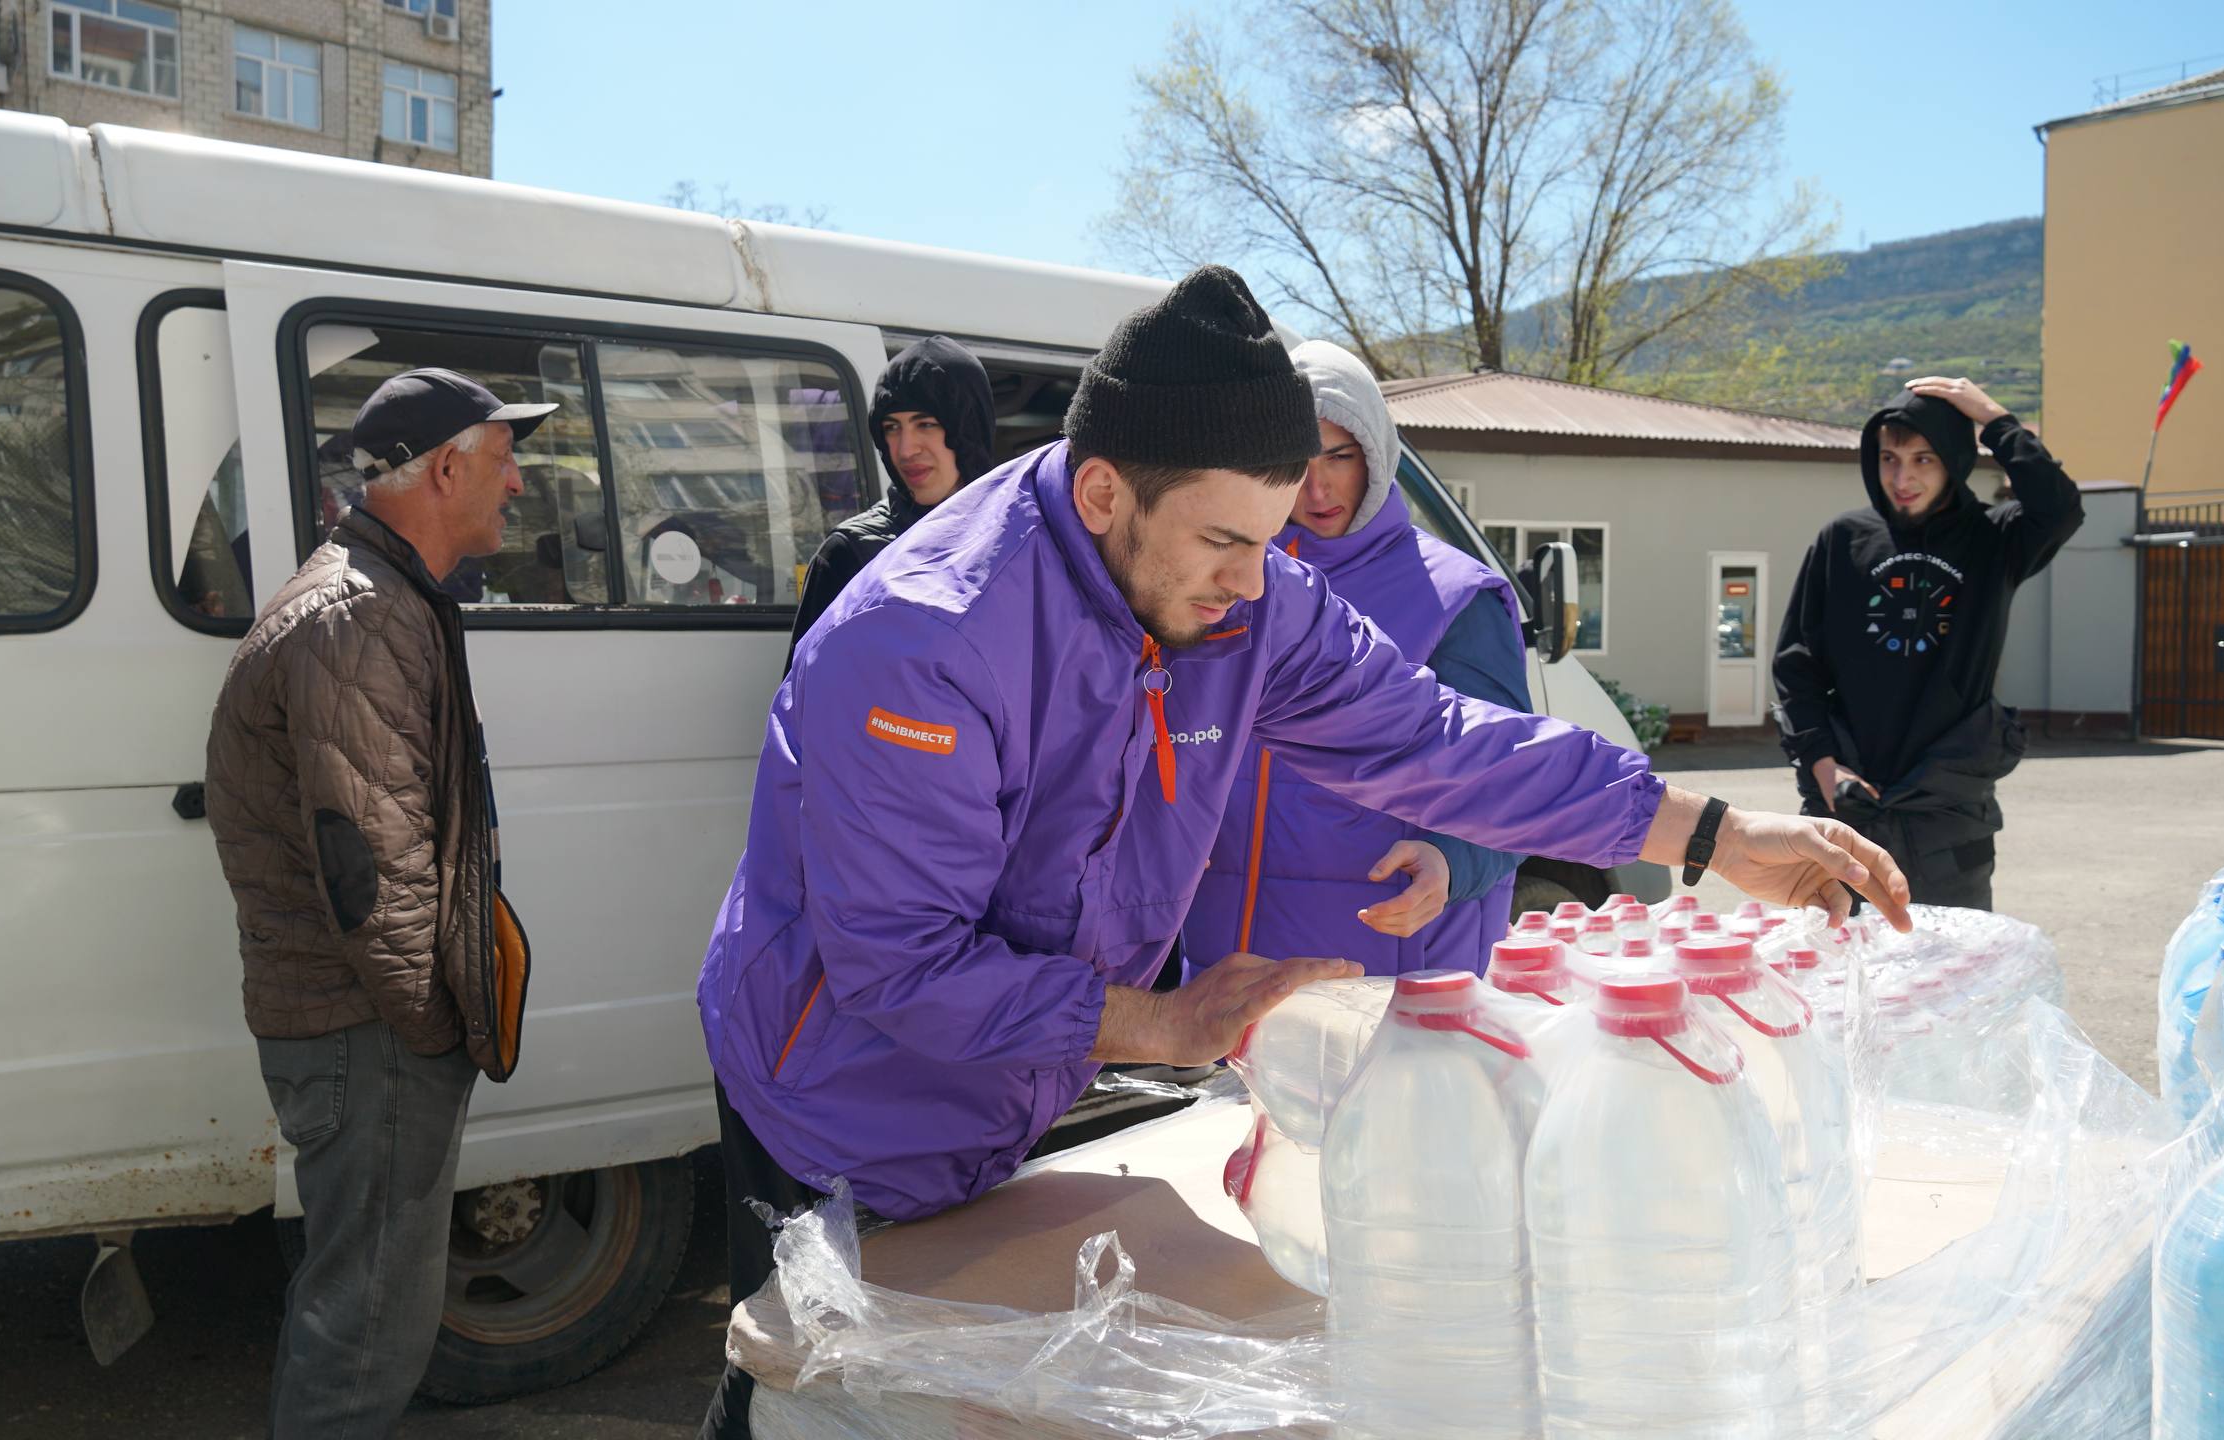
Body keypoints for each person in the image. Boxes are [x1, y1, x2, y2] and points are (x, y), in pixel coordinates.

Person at [697, 267, 1910, 1440]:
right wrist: (1159, 1023)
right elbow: (901, 966)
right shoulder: (923, 644)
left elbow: (1435, 742)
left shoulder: (1244, 592)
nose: (1252, 584)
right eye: (1225, 542)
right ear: (1104, 491)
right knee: (812, 1389)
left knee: (975, 1403)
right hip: (833, 1104)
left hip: (1011, 1090)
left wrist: (1713, 834)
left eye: (1272, 540)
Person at [206, 367, 546, 1437]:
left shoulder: (376, 593)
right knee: (366, 1337)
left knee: (362, 1312)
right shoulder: (358, 611)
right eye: (504, 459)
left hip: (357, 1026)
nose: (519, 483)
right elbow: (371, 866)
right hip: (371, 1032)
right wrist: (437, 1031)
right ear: (445, 469)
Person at [1182, 338, 1529, 974]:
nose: (1316, 488)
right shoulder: (1226, 581)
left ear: (1377, 451)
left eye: (1339, 456)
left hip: (1388, 957)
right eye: (1295, 462)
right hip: (1220, 959)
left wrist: (1453, 861)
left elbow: (1512, 779)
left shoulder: (1453, 596)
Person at [1772, 375, 2085, 910]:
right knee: (1838, 956)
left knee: (1952, 959)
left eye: (1924, 459)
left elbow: (2060, 508)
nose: (1903, 477)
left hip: (1949, 812)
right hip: (1848, 805)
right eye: (1889, 459)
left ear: (1955, 461)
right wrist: (1824, 768)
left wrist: (1993, 419)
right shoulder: (1842, 540)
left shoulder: (1994, 540)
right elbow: (1796, 667)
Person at [784, 335, 995, 658]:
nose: (906, 449)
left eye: (926, 424)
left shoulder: (1024, 542)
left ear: (968, 428)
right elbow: (804, 685)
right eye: (892, 427)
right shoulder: (849, 554)